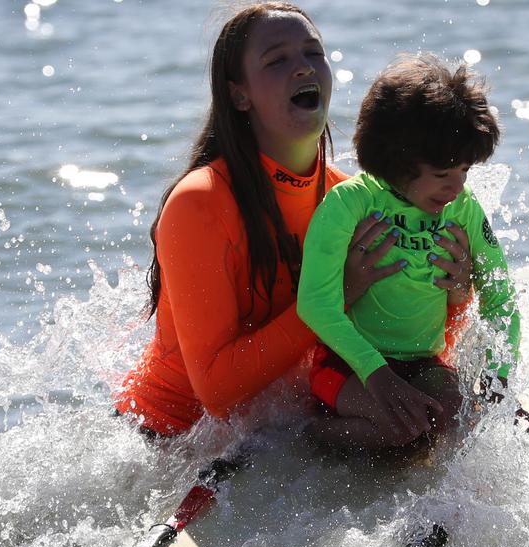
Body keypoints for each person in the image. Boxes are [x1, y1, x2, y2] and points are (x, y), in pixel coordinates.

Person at [115, 4, 473, 437]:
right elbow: (218, 393)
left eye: (313, 53)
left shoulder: (350, 199)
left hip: (278, 425)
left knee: (436, 418)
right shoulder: (200, 202)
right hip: (168, 436)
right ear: (239, 94)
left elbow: (407, 342)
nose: (303, 68)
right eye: (277, 59)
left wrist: (455, 297)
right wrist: (335, 295)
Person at [297, 55, 521, 448]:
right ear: (398, 160)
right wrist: (376, 374)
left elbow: (500, 296)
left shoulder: (462, 208)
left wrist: (499, 378)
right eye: (442, 175)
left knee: (460, 421)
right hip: (345, 365)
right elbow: (314, 305)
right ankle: (312, 436)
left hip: (424, 363)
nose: (457, 187)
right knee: (399, 429)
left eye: (465, 171)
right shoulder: (348, 204)